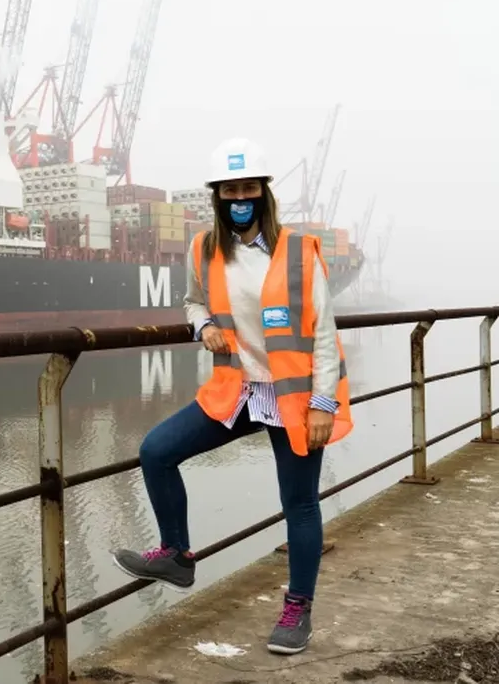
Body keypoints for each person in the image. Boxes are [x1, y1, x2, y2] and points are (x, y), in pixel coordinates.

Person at [112, 137, 353, 655]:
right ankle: (176, 555)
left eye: (247, 188)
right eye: (228, 190)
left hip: (294, 399)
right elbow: (192, 301)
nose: (237, 198)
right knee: (156, 451)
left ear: (263, 193)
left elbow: (326, 335)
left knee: (300, 505)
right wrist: (202, 327)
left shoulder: (299, 251)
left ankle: (298, 609)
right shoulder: (204, 249)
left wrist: (322, 404)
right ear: (217, 196)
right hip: (237, 390)